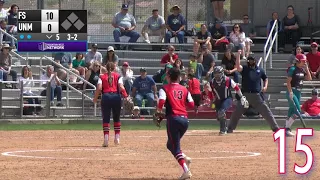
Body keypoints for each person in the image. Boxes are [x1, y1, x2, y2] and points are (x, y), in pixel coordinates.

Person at [227, 50, 280, 133]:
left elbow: (265, 78)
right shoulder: (245, 68)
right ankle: (230, 128)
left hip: (256, 96)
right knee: (237, 112)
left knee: (266, 111)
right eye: (249, 60)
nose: (251, 62)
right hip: (245, 96)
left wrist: (265, 86)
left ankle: (275, 128)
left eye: (252, 60)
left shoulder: (260, 70)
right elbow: (237, 67)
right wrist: (238, 55)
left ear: (255, 61)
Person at [156, 68, 193, 179]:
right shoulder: (184, 89)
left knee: (176, 148)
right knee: (170, 145)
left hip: (173, 120)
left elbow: (161, 101)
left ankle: (186, 170)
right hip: (185, 121)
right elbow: (191, 104)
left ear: (169, 77)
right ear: (178, 77)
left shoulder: (164, 88)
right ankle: (184, 158)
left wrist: (159, 112)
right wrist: (180, 103)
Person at [93, 62, 130, 147]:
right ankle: (117, 137)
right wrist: (126, 96)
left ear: (105, 68)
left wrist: (95, 98)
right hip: (116, 97)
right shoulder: (118, 76)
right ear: (114, 68)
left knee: (106, 118)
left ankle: (106, 138)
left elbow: (99, 88)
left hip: (105, 97)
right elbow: (121, 87)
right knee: (116, 118)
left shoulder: (101, 76)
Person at [210, 66, 248, 135]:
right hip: (218, 100)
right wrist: (212, 100)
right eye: (215, 74)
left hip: (227, 98)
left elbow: (236, 88)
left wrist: (242, 97)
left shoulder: (228, 80)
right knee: (219, 116)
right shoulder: (212, 82)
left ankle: (223, 130)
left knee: (221, 112)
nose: (217, 75)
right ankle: (226, 127)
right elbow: (211, 92)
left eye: (218, 73)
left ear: (222, 73)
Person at [285, 54, 312, 137]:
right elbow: (288, 82)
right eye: (303, 61)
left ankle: (286, 129)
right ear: (298, 61)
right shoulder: (293, 69)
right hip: (292, 90)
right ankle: (287, 128)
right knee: (297, 110)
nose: (304, 62)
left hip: (298, 92)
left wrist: (307, 68)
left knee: (291, 111)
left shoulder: (302, 70)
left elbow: (309, 78)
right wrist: (290, 92)